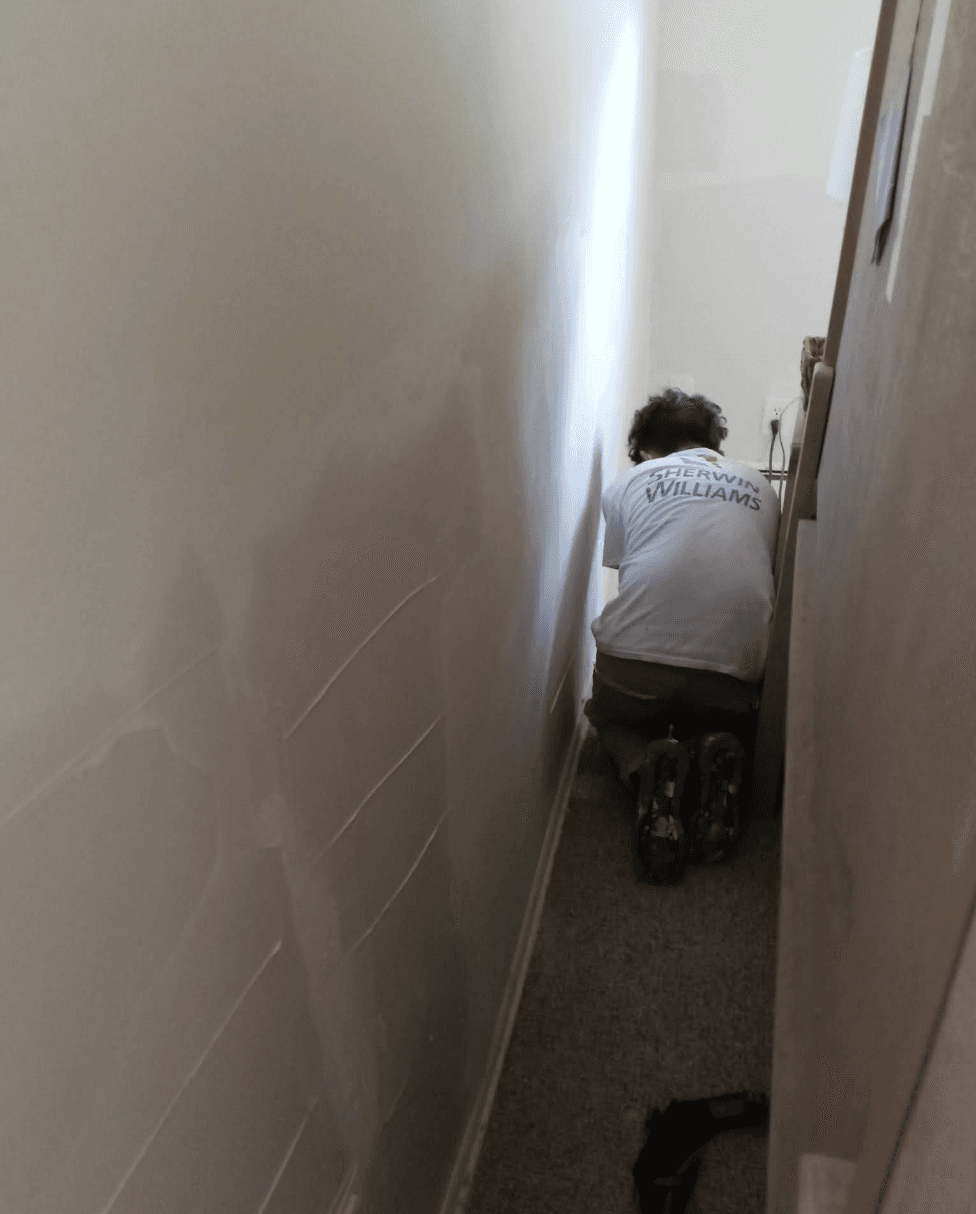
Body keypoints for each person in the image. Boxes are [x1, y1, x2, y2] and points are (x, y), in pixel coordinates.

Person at [585, 388, 780, 883]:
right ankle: (710, 746)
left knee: (605, 715)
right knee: (722, 711)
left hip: (634, 671)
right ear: (712, 440)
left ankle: (643, 762)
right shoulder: (763, 488)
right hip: (731, 680)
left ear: (647, 448)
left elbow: (628, 570)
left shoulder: (631, 482)